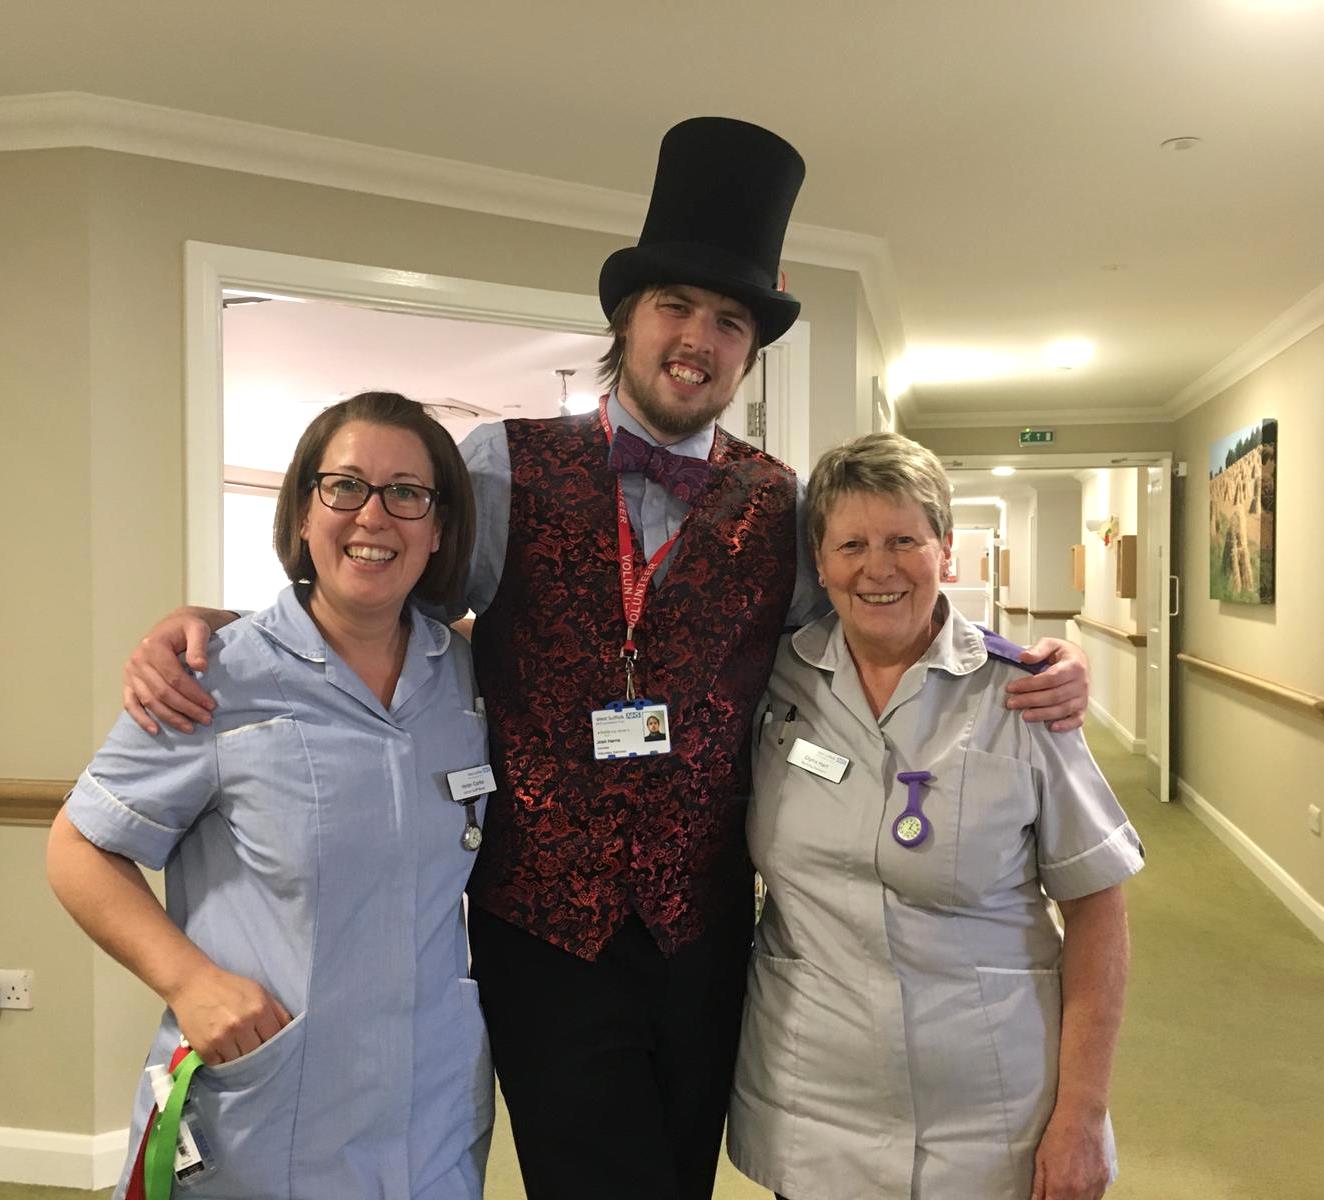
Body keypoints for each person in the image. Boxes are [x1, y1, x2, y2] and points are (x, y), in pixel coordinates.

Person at [118, 119, 1092, 1200]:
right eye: (676, 306)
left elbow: (872, 632)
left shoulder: (781, 504)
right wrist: (228, 617)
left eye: (729, 321)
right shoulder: (501, 466)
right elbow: (386, 598)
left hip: (707, 927)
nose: (699, 337)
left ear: (748, 352)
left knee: (676, 1177)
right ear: (626, 321)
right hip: (542, 926)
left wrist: (1018, 660)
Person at [48, 393, 494, 1200]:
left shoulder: (469, 680)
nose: (373, 515)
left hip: (426, 1105)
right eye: (344, 486)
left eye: (407, 493)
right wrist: (189, 982)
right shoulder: (218, 674)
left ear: (437, 530)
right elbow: (79, 846)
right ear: (300, 514)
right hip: (268, 1100)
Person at [726, 432, 1143, 1200]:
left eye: (904, 540)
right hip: (815, 1101)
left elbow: (1096, 905)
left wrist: (1082, 1114)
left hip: (989, 1110)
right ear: (819, 563)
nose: (878, 568)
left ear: (945, 550)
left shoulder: (1022, 694)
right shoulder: (770, 680)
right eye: (851, 543)